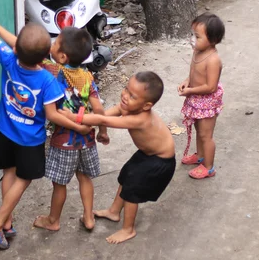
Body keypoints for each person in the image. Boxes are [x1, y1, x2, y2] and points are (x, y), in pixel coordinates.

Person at [0, 0, 91, 250]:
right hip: (30, 140)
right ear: (45, 55)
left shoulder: (8, 59)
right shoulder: (49, 81)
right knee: (23, 179)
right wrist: (78, 125)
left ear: (16, 48)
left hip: (5, 131)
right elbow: (52, 115)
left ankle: (7, 223)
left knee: (9, 172)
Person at [0, 21, 109, 232]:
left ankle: (53, 220)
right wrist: (102, 131)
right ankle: (88, 217)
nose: (51, 46)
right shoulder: (87, 77)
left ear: (62, 56)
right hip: (87, 139)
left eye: (55, 44)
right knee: (85, 177)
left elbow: (24, 51)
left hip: (64, 141)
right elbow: (99, 110)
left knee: (60, 184)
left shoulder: (52, 70)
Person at [60, 71, 176, 244]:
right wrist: (88, 119)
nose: (125, 96)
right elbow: (104, 115)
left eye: (132, 96)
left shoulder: (140, 118)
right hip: (147, 153)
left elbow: (104, 121)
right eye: (126, 89)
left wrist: (75, 117)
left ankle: (128, 229)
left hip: (160, 161)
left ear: (146, 105)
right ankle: (114, 211)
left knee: (132, 190)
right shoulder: (128, 107)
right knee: (126, 175)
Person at [178, 13, 225, 179]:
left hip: (207, 102)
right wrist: (187, 81)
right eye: (192, 35)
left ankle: (208, 167)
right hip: (196, 99)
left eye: (197, 36)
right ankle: (200, 156)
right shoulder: (198, 51)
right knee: (199, 130)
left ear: (212, 40)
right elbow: (194, 73)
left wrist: (190, 91)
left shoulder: (213, 59)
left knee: (206, 135)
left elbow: (210, 86)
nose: (192, 40)